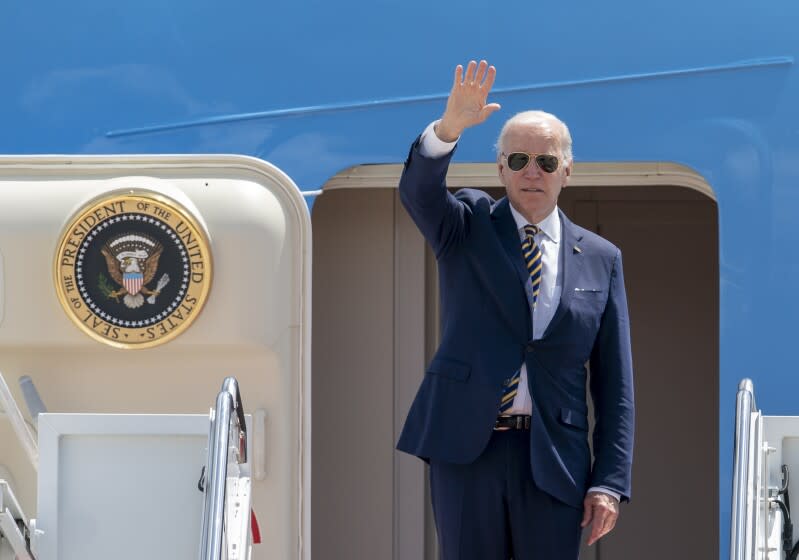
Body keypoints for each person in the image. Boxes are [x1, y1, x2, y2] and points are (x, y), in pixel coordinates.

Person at [396, 60, 634, 560]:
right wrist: (448, 129)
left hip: (555, 459)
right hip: (467, 448)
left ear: (566, 171)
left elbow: (614, 385)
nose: (533, 171)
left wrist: (609, 482)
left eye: (546, 162)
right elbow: (419, 193)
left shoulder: (601, 258)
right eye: (519, 159)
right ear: (500, 168)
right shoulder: (466, 225)